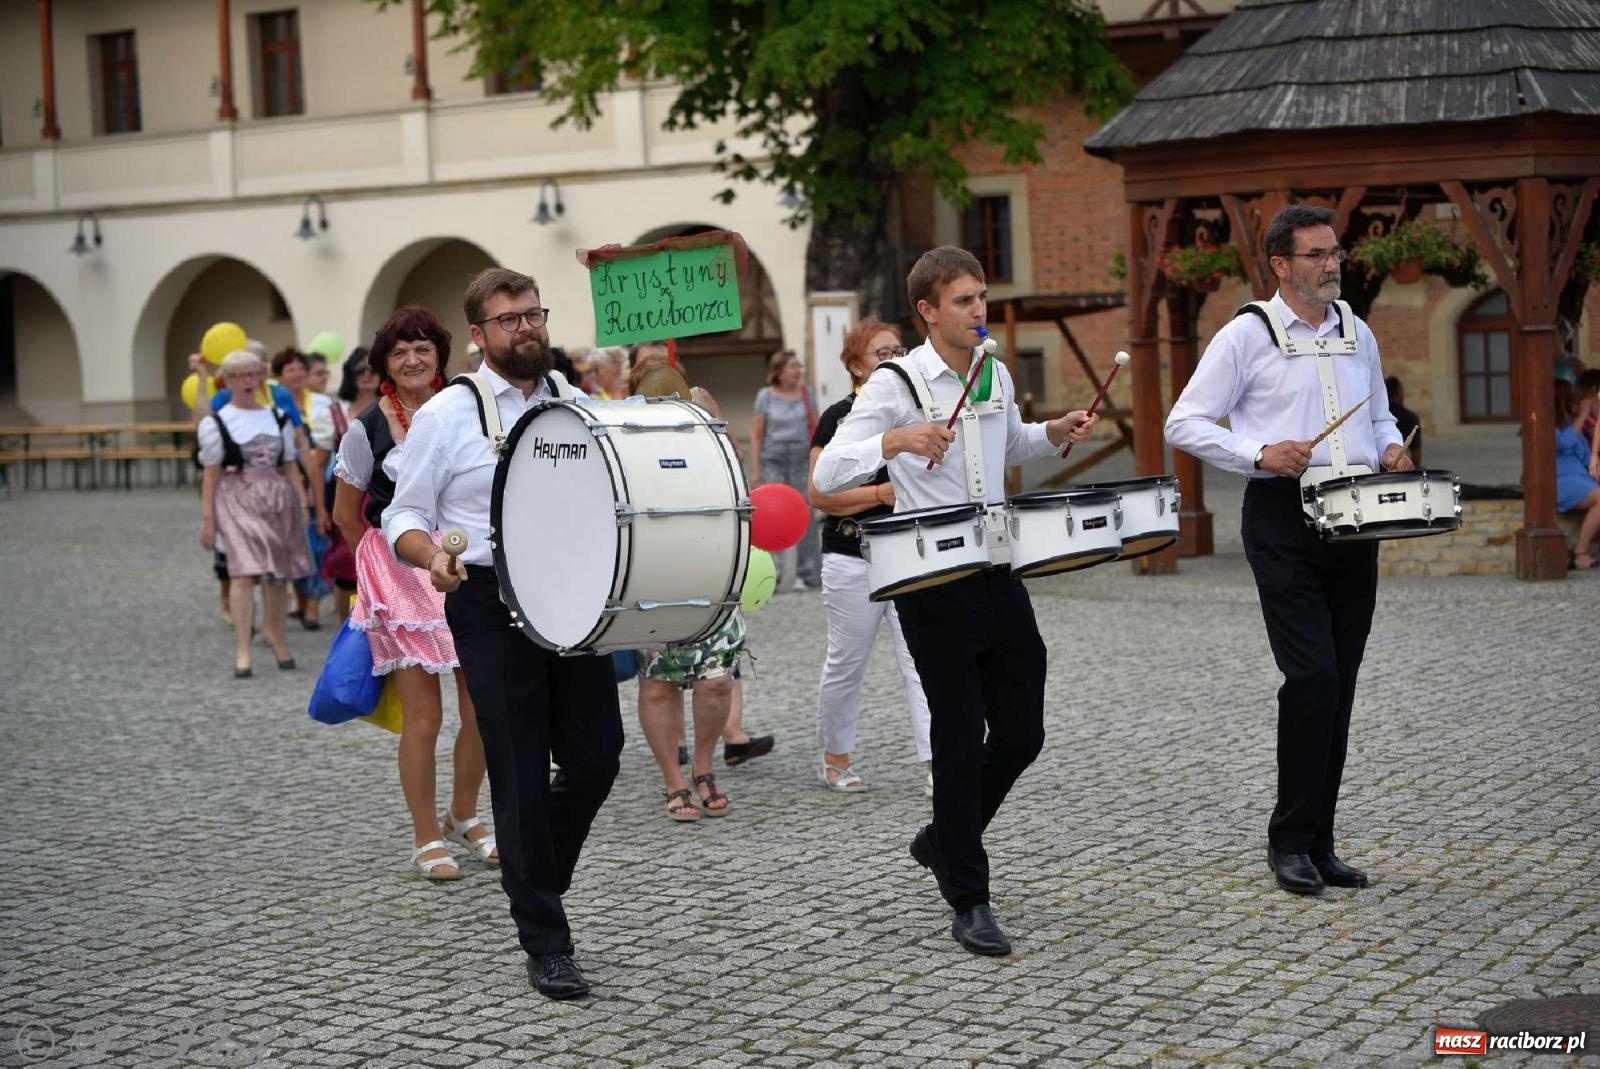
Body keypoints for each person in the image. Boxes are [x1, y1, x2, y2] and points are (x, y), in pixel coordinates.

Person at [813, 247, 1097, 956]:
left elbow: (1009, 445)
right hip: (930, 580)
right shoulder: (894, 381)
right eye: (965, 300)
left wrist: (1051, 434)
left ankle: (945, 835)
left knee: (1023, 731)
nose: (980, 310)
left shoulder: (992, 370)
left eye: (982, 297)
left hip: (998, 568)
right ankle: (969, 895)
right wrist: (894, 438)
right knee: (957, 733)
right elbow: (826, 469)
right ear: (928, 311)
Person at [384, 267, 622, 1001]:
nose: (527, 327)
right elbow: (403, 517)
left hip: (572, 591)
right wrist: (434, 562)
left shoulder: (574, 402)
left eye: (533, 314)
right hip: (486, 596)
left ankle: (532, 867)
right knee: (517, 770)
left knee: (597, 757)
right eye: (509, 318)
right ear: (480, 334)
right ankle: (546, 941)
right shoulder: (447, 415)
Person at [1165, 204, 1413, 897]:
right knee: (1313, 679)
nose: (1333, 264)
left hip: (1355, 518)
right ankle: (1288, 841)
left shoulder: (1355, 330)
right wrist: (1257, 452)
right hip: (1282, 517)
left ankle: (1322, 840)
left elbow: (1376, 413)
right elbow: (1183, 421)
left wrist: (1389, 442)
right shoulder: (1247, 334)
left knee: (1342, 683)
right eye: (1316, 255)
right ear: (1280, 265)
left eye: (1335, 252)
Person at [333, 306, 495, 883]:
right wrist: (379, 577)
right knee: (424, 718)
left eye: (423, 348)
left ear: (439, 356)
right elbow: (346, 515)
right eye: (400, 351)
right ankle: (426, 835)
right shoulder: (365, 430)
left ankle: (467, 813)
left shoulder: (465, 413)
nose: (412, 359)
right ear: (385, 362)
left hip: (467, 566)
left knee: (482, 706)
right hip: (401, 579)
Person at [625, 351, 775, 769]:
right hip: (654, 570)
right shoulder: (625, 429)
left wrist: (711, 421)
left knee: (716, 677)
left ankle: (708, 761)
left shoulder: (700, 418)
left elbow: (734, 470)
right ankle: (674, 771)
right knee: (660, 683)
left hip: (707, 564)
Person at [808, 318, 932, 795]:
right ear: (856, 365)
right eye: (882, 353)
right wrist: (880, 494)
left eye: (900, 350)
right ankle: (835, 757)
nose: (895, 359)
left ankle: (936, 761)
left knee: (921, 661)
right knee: (847, 662)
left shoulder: (915, 412)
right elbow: (818, 493)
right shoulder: (838, 417)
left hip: (909, 552)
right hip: (851, 555)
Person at [197, 349, 313, 677]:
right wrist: (208, 520)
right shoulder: (217, 422)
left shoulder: (276, 416)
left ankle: (275, 635)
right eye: (240, 375)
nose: (248, 381)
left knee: (277, 574)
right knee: (242, 573)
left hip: (277, 497)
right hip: (236, 497)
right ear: (228, 381)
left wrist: (303, 502)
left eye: (253, 374)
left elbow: (290, 466)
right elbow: (210, 473)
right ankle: (243, 649)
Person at [753, 349, 822, 591]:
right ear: (779, 371)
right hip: (773, 460)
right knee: (772, 516)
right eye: (792, 366)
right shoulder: (766, 397)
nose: (797, 371)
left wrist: (817, 463)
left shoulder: (807, 394)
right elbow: (757, 435)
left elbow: (817, 426)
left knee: (806, 515)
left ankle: (808, 573)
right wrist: (756, 470)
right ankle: (775, 573)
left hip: (800, 460)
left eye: (798, 366)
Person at [1554, 379, 1600, 569]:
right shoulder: (1547, 424)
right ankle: (1581, 553)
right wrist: (1582, 417)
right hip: (1561, 482)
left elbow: (1585, 456)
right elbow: (1563, 443)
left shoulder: (1573, 425)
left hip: (1581, 480)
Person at [1384, 375, 1422, 468]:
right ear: (1398, 393)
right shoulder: (1410, 418)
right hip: (1397, 468)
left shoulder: (1377, 417)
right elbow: (1416, 456)